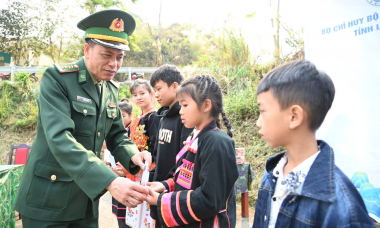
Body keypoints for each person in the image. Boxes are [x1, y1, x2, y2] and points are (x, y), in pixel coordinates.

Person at [14, 9, 152, 228]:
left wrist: (133, 156)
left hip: (85, 199)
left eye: (119, 57)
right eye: (107, 55)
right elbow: (60, 137)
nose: (114, 64)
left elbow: (117, 135)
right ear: (87, 50)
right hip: (48, 199)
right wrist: (110, 180)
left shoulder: (110, 89)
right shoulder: (57, 79)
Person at [252, 60, 374, 228]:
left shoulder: (343, 205)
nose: (258, 122)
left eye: (262, 111)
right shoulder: (271, 176)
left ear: (294, 116)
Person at [145, 75, 239, 228]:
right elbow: (186, 179)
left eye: (185, 105)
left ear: (206, 105)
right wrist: (164, 186)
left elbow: (210, 199)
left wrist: (161, 200)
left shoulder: (217, 143)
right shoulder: (195, 137)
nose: (180, 111)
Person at [149, 64, 193, 227]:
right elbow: (159, 154)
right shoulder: (163, 116)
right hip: (160, 190)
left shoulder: (186, 118)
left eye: (159, 88)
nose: (156, 94)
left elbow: (186, 159)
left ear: (175, 86)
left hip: (175, 195)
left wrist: (168, 183)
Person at [112, 79, 160, 228]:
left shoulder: (155, 118)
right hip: (133, 171)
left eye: (142, 93)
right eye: (134, 94)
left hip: (146, 172)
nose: (138, 97)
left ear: (151, 94)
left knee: (144, 217)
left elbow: (154, 147)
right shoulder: (136, 120)